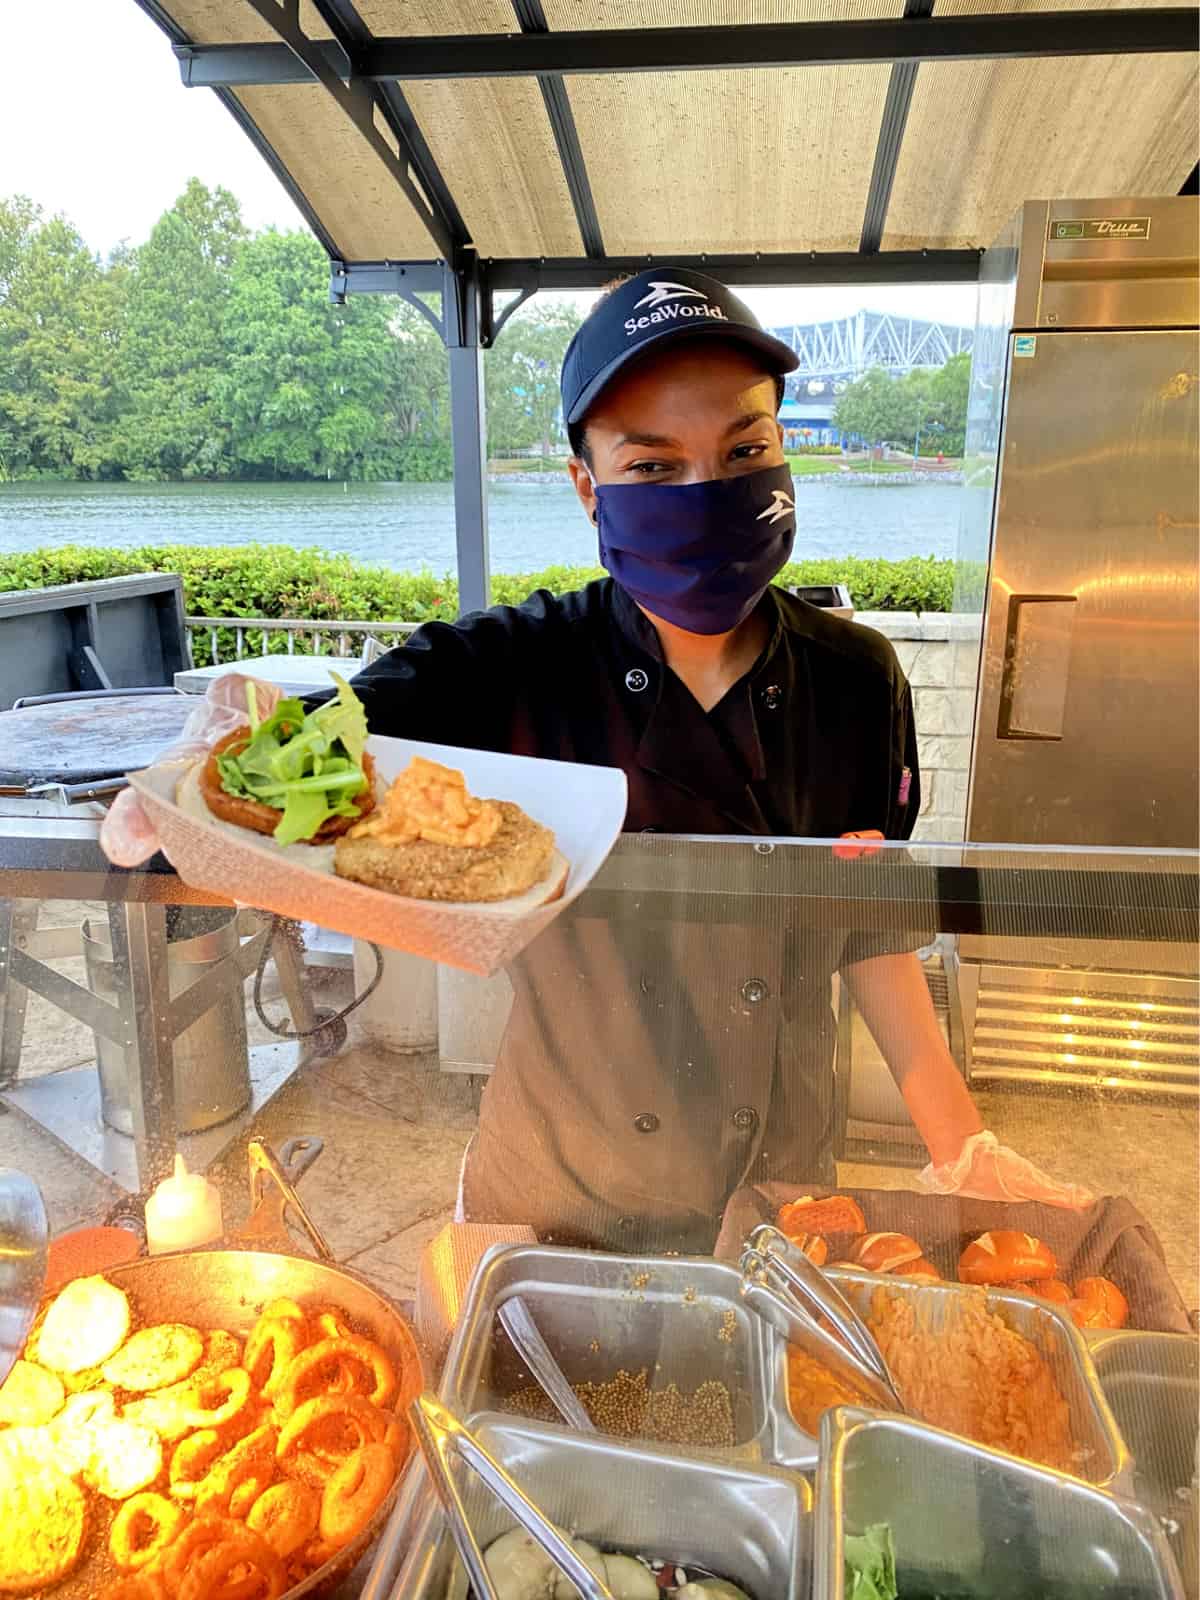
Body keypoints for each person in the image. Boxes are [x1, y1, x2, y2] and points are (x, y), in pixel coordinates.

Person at [103, 267, 1091, 1251]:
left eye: (745, 448)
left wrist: (964, 1150)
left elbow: (870, 931)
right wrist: (228, 754)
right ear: (587, 488)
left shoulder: (858, 681)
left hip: (784, 1192)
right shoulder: (514, 667)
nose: (708, 491)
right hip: (558, 1203)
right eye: (654, 467)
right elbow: (337, 740)